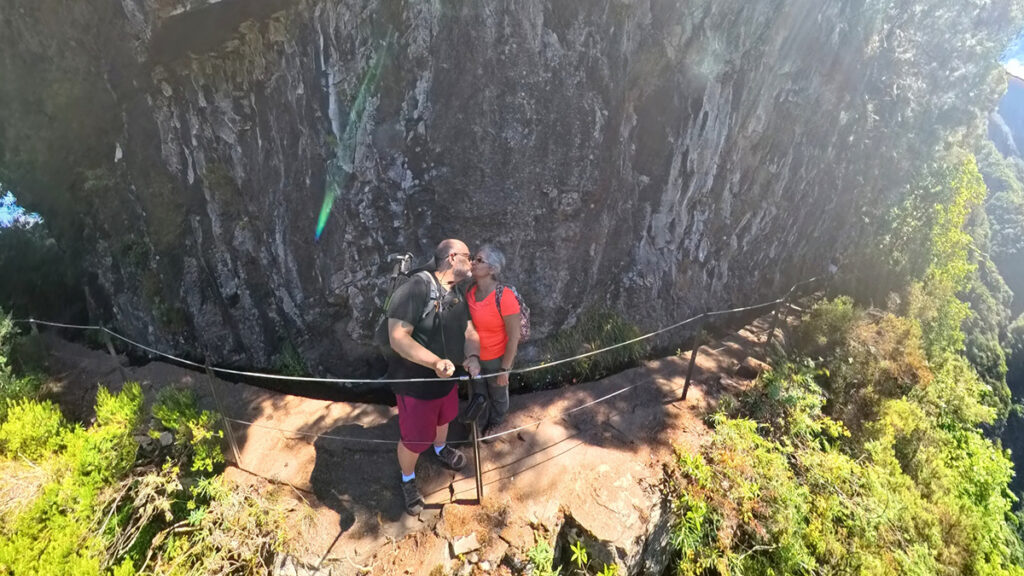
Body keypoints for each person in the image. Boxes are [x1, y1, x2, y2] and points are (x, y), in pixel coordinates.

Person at [387, 239, 482, 516]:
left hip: (446, 380)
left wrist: (472, 357)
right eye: (469, 256)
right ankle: (407, 478)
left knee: (445, 418)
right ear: (452, 258)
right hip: (415, 386)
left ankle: (440, 449)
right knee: (415, 439)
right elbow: (397, 337)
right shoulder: (417, 287)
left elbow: (469, 332)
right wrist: (435, 362)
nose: (473, 261)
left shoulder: (455, 293)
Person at [466, 244, 521, 441]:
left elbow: (514, 336)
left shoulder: (504, 297)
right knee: (478, 392)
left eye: (479, 260)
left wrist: (505, 369)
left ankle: (497, 422)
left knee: (498, 394)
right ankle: (478, 421)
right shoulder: (470, 292)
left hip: (497, 359)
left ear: (492, 269)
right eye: (474, 258)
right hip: (476, 358)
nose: (473, 262)